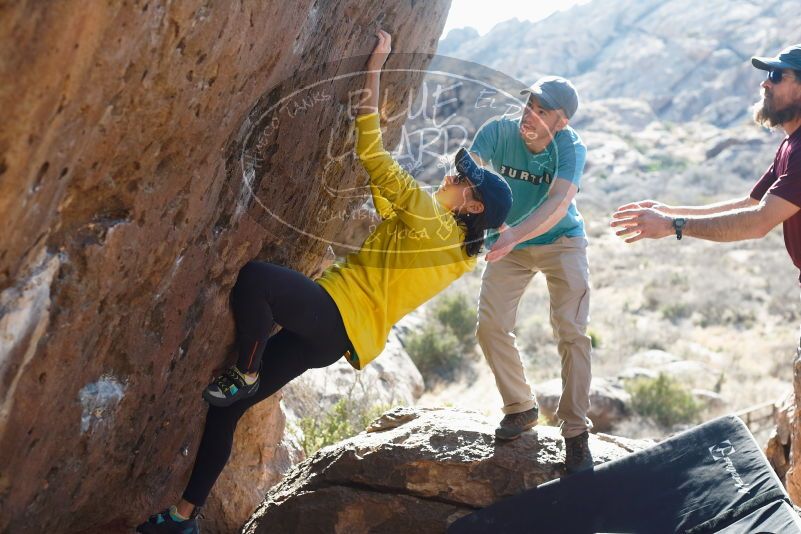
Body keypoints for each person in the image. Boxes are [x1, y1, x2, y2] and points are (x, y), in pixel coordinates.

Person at [136, 30, 512, 533]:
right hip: (335, 341)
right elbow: (390, 206)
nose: (450, 175)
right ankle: (185, 518)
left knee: (257, 280)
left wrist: (375, 69)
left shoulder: (428, 219)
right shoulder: (456, 250)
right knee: (226, 412)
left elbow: (374, 157)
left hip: (335, 310)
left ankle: (246, 370)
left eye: (461, 180)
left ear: (473, 204)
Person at [470, 75, 593, 474]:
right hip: (510, 243)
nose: (530, 116)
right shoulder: (498, 132)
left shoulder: (569, 147)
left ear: (562, 122)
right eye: (529, 106)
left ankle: (575, 432)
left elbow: (559, 203)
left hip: (561, 241)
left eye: (543, 112)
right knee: (490, 326)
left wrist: (514, 235)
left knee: (570, 332)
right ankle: (521, 408)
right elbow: (468, 178)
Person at [611, 45, 801, 274]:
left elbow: (758, 222)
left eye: (777, 75)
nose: (765, 83)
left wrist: (672, 225)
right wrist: (670, 212)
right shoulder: (790, 145)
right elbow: (750, 204)